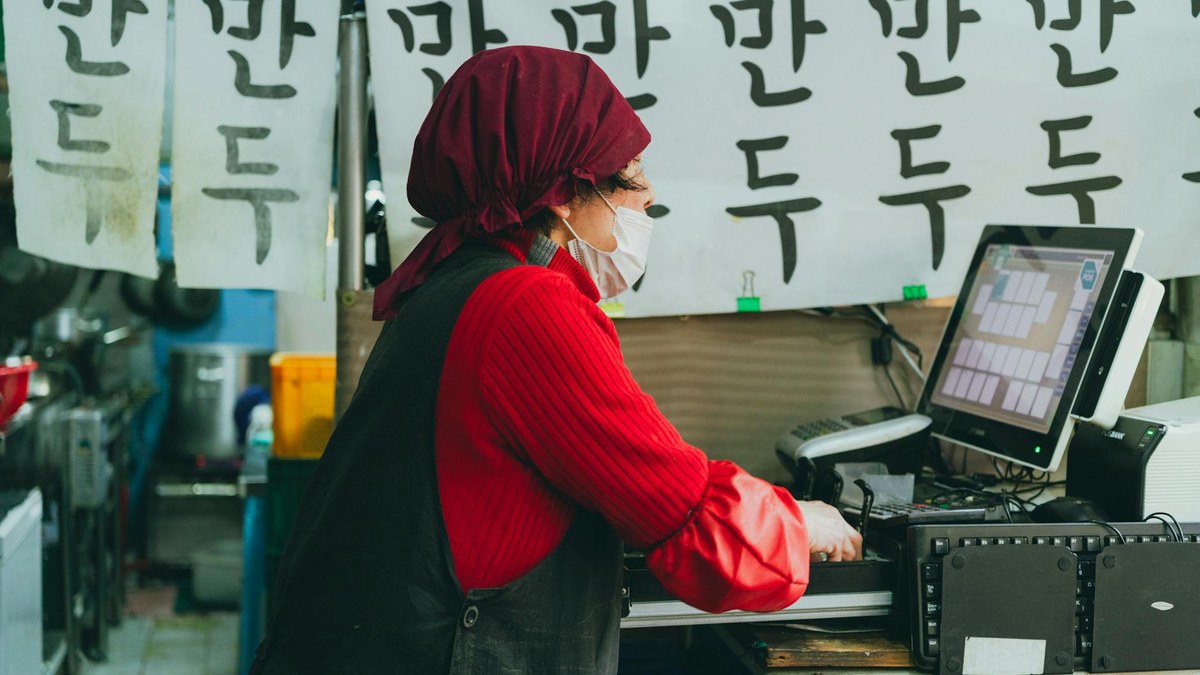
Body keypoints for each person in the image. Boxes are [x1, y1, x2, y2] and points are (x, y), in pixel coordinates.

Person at [251, 45, 861, 674]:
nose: (648, 195)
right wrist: (798, 523)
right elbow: (690, 521)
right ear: (565, 195)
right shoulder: (526, 305)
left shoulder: (453, 282)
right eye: (629, 174)